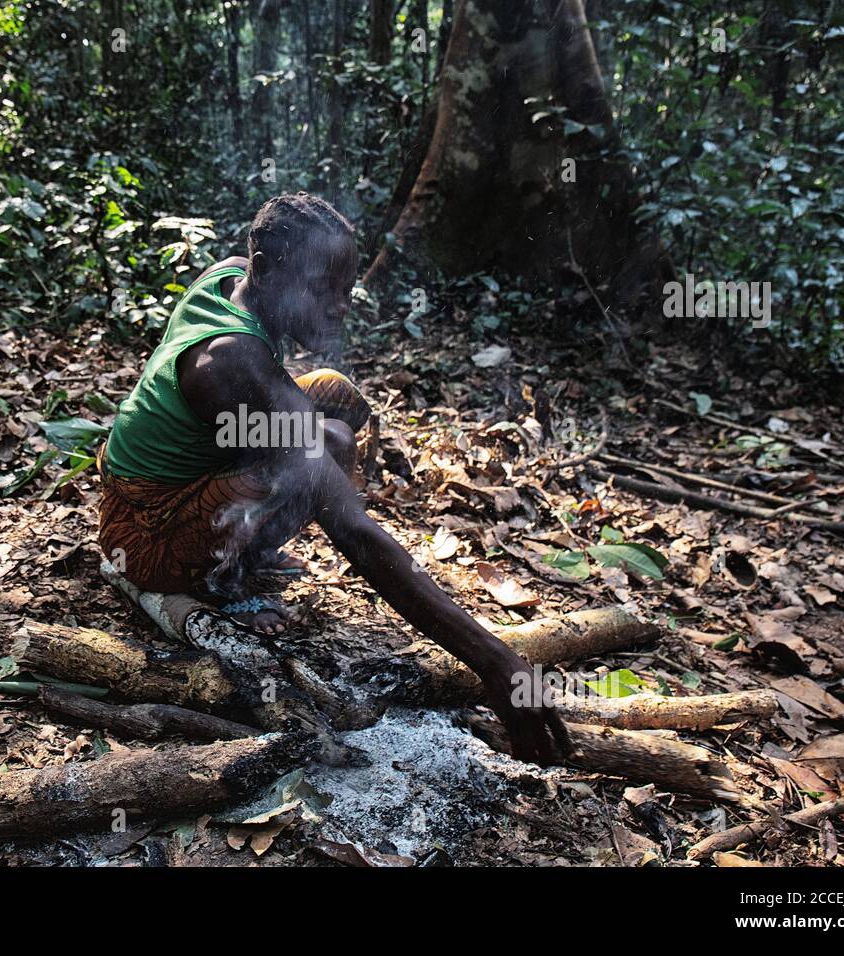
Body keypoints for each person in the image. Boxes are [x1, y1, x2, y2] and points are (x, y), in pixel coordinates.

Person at [98, 192, 570, 763]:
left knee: (334, 403)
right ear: (267, 269)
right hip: (144, 534)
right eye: (325, 289)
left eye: (346, 288)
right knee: (313, 455)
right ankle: (220, 583)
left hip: (176, 475)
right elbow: (355, 533)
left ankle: (238, 555)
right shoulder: (230, 362)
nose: (342, 307)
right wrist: (495, 661)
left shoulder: (231, 278)